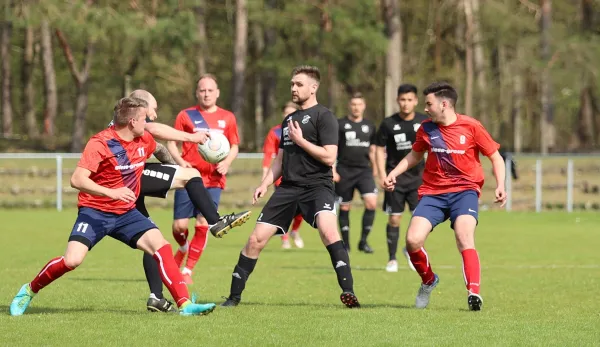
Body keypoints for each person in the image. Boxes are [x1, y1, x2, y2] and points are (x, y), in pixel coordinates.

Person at [9, 97, 217, 316]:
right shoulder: (100, 143)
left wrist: (182, 161)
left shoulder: (144, 139)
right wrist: (112, 192)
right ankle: (29, 290)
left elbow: (161, 146)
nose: (147, 123)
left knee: (161, 246)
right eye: (144, 119)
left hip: (126, 214)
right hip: (95, 212)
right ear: (132, 122)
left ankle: (185, 305)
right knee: (72, 260)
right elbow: (77, 180)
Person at [221, 65, 360, 308]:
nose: (293, 88)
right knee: (255, 239)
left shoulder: (324, 117)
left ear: (314, 88)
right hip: (288, 188)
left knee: (329, 231)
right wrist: (264, 183)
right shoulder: (289, 120)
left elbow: (329, 157)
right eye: (292, 84)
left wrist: (301, 141)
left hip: (318, 186)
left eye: (299, 84)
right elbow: (280, 158)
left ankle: (348, 292)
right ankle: (233, 298)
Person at [383, 82, 507, 311]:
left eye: (429, 104)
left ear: (444, 104)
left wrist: (500, 185)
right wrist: (394, 173)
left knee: (464, 235)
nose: (426, 109)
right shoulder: (426, 128)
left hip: (465, 191)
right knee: (412, 241)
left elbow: (496, 157)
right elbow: (415, 155)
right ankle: (428, 280)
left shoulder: (471, 126)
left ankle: (474, 293)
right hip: (433, 194)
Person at [125, 90, 250, 313]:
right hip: (124, 179)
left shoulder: (133, 129)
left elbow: (160, 149)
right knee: (192, 176)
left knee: (152, 241)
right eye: (153, 108)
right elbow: (155, 129)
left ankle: (156, 297)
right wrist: (192, 137)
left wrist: (176, 167)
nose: (155, 114)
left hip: (126, 184)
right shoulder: (134, 121)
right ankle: (216, 221)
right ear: (141, 109)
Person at [166, 74, 240, 284]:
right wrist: (180, 161)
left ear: (217, 93)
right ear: (197, 93)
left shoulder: (228, 118)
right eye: (202, 90)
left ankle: (187, 271)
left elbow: (234, 145)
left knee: (203, 222)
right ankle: (183, 247)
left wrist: (227, 162)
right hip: (188, 177)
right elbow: (171, 142)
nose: (206, 94)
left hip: (213, 180)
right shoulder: (186, 115)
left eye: (210, 90)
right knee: (179, 226)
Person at [375, 84, 428, 272]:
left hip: (418, 180)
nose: (406, 104)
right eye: (402, 100)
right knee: (394, 220)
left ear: (416, 101)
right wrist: (382, 175)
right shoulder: (388, 123)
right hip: (395, 179)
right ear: (398, 100)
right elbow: (379, 149)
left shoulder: (425, 121)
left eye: (409, 100)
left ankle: (411, 250)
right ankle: (392, 259)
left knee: (420, 221)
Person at [333, 92, 378, 253]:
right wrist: (332, 169)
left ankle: (363, 241)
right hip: (344, 170)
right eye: (353, 104)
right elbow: (332, 148)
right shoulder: (340, 124)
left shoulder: (370, 126)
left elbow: (373, 149)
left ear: (364, 106)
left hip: (364, 170)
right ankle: (346, 244)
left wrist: (376, 169)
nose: (356, 107)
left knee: (372, 203)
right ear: (349, 106)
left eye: (359, 104)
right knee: (345, 207)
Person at [262, 101, 305, 249]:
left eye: (292, 112)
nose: (289, 116)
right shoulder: (275, 132)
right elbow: (269, 154)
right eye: (286, 113)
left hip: (301, 176)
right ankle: (285, 239)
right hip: (281, 177)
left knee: (302, 211)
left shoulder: (304, 130)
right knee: (286, 210)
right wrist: (265, 175)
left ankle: (294, 231)